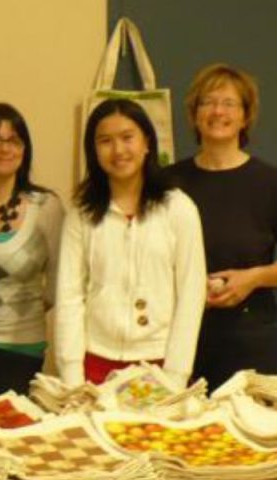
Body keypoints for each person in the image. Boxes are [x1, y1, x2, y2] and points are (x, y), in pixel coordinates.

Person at [55, 98, 206, 388]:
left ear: (146, 143)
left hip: (160, 364)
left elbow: (191, 293)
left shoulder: (178, 208)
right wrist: (72, 375)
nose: (118, 150)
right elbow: (69, 295)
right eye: (105, 141)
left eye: (127, 137)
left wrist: (176, 375)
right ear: (94, 150)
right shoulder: (82, 213)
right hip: (94, 364)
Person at [166, 64, 277, 390]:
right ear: (194, 114)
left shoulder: (272, 183)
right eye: (208, 102)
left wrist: (254, 277)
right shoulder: (168, 183)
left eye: (229, 103)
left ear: (246, 116)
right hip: (180, 342)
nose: (218, 111)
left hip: (252, 342)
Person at [0, 103, 64, 402]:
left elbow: (58, 286)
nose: (4, 148)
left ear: (24, 149)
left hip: (20, 348)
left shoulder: (46, 207)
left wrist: (15, 313)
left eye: (14, 140)